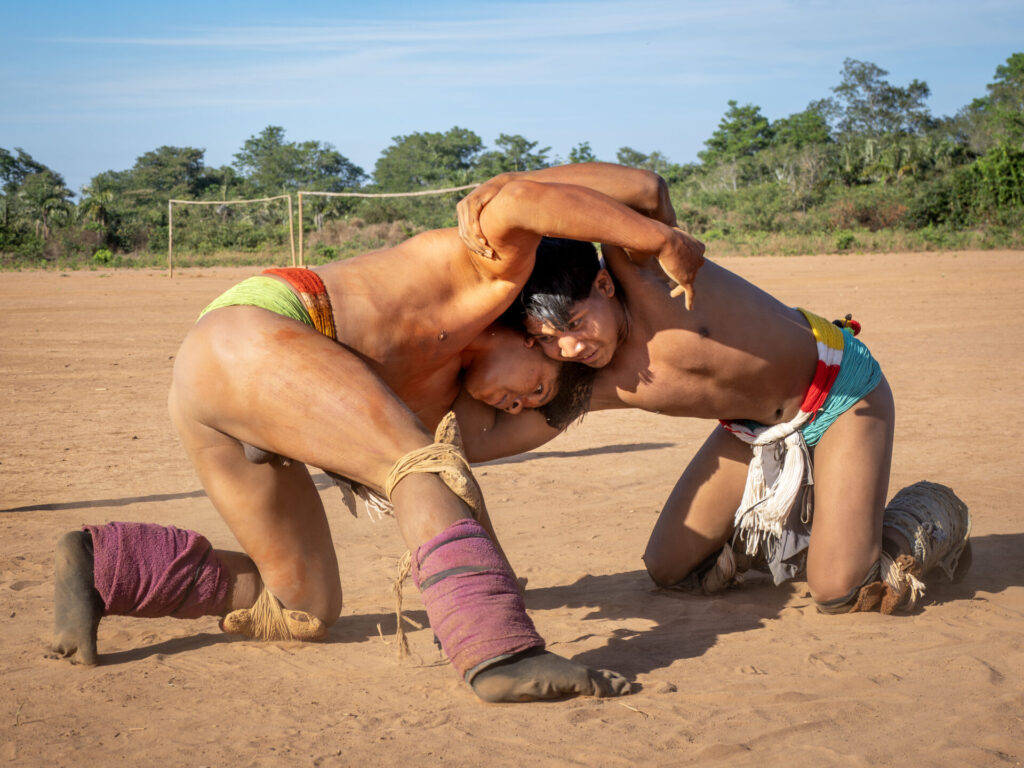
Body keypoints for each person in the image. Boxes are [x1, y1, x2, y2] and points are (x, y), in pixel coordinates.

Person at [50, 170, 704, 703]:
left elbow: (467, 487)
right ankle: (499, 655)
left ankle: (106, 565)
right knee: (419, 466)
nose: (527, 397)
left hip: (225, 396)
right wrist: (661, 243)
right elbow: (612, 190)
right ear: (521, 323)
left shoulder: (440, 396)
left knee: (301, 609)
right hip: (251, 335)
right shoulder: (490, 273)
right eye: (545, 365)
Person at [455, 163, 971, 615]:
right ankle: (823, 524)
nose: (569, 347)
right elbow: (486, 440)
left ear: (604, 288)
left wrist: (513, 190)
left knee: (838, 590)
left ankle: (923, 513)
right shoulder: (586, 381)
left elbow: (645, 188)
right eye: (547, 341)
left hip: (839, 391)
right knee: (671, 570)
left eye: (574, 323)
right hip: (754, 430)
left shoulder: (643, 272)